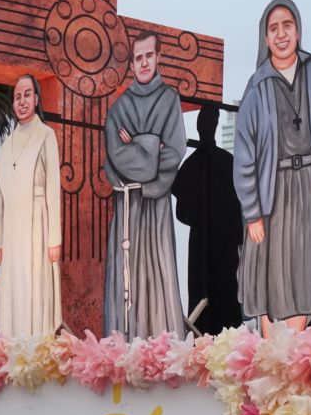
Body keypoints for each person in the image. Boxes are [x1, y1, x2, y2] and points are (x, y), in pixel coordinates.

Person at [234, 0, 311, 336]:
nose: (281, 34)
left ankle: (295, 352)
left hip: (309, 183)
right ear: (265, 38)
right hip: (272, 189)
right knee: (270, 275)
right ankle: (270, 354)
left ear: (298, 31)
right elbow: (244, 152)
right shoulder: (257, 86)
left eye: (287, 26)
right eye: (273, 28)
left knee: (304, 273)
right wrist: (252, 212)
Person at [103, 31, 187, 340]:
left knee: (157, 273)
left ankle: (161, 350)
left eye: (149, 56)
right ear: (131, 64)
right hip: (127, 207)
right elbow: (114, 158)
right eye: (138, 58)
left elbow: (175, 151)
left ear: (158, 57)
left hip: (155, 204)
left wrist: (139, 145)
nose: (144, 63)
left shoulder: (169, 100)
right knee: (127, 280)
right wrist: (152, 145)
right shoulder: (119, 108)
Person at [0, 74, 62, 336]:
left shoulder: (46, 135)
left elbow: (53, 188)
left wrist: (54, 239)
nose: (22, 101)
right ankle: (14, 345)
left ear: (36, 99)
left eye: (27, 95)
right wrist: (1, 241)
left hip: (37, 223)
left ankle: (37, 344)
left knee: (36, 285)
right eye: (17, 97)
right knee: (15, 289)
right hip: (12, 230)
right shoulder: (6, 144)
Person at [172, 107, 243, 335]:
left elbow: (182, 209)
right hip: (223, 242)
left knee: (204, 289)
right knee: (224, 291)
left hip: (203, 242)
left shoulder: (190, 164)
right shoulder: (228, 161)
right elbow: (238, 205)